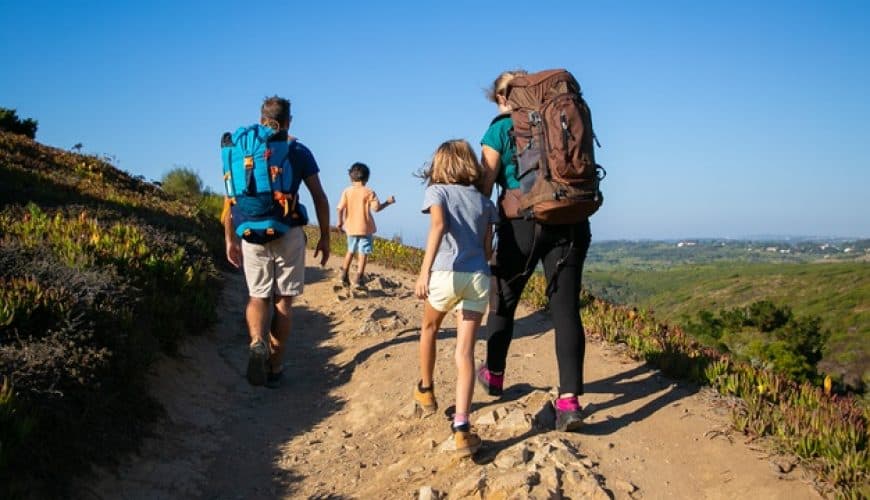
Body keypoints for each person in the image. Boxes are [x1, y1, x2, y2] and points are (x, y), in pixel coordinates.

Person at [476, 71, 592, 432]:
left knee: (504, 299)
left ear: (502, 97)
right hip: (570, 216)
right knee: (566, 309)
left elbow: (484, 184)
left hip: (521, 223)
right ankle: (569, 402)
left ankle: (494, 376)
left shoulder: (499, 129)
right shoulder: (562, 117)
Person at [224, 95, 330, 388]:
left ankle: (257, 341)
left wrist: (229, 238)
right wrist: (324, 237)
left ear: (261, 117)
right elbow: (319, 196)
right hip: (287, 231)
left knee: (257, 296)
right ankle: (275, 364)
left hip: (249, 231)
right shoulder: (297, 150)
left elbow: (230, 196)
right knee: (283, 301)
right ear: (289, 121)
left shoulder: (241, 148)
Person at [413, 139, 498, 457]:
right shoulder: (483, 200)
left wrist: (425, 272)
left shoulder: (437, 192)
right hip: (478, 277)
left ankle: (426, 389)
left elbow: (438, 225)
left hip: (446, 273)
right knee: (465, 354)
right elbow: (488, 249)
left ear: (441, 165)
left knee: (429, 329)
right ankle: (462, 428)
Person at [336, 162, 395, 288]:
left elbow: (340, 208)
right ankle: (358, 278)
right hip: (365, 228)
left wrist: (340, 221)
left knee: (350, 251)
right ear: (367, 178)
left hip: (350, 227)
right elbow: (376, 208)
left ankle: (343, 274)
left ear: (351, 177)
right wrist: (388, 202)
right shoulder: (369, 192)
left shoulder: (347, 191)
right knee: (363, 253)